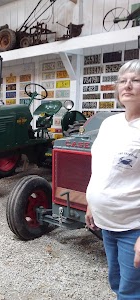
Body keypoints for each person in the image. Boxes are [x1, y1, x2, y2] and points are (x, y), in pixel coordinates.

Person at [86, 59, 140, 299]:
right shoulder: (110, 123)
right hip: (108, 224)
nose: (127, 86)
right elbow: (101, 167)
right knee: (117, 283)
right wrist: (91, 203)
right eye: (123, 81)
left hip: (133, 228)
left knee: (131, 292)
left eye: (136, 81)